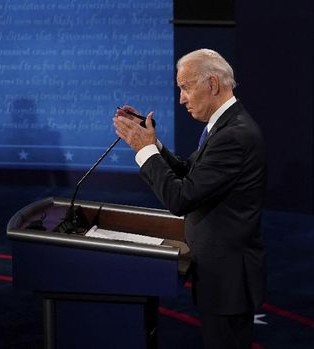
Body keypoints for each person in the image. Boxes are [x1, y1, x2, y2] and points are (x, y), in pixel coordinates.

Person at [113, 49, 267, 348]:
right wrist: (153, 143)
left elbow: (181, 198)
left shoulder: (233, 135)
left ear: (211, 84)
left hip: (229, 281)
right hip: (220, 275)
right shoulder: (225, 126)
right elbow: (191, 174)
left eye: (186, 87)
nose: (181, 98)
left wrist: (144, 152)